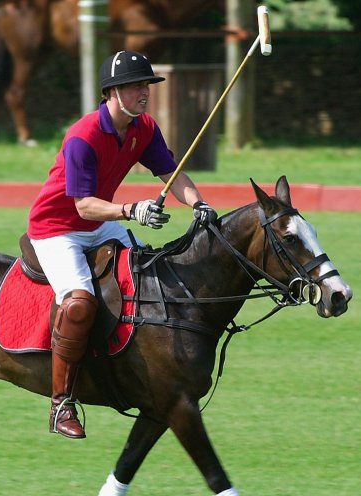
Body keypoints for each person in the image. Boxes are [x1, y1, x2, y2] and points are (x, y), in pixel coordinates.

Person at [26, 50, 219, 439]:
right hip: (57, 229)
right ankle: (61, 402)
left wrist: (199, 204)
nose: (144, 92)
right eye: (135, 86)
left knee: (146, 275)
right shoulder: (83, 136)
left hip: (100, 225)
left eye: (146, 85)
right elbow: (82, 205)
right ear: (111, 92)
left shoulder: (143, 127)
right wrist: (132, 210)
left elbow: (170, 172)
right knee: (80, 303)